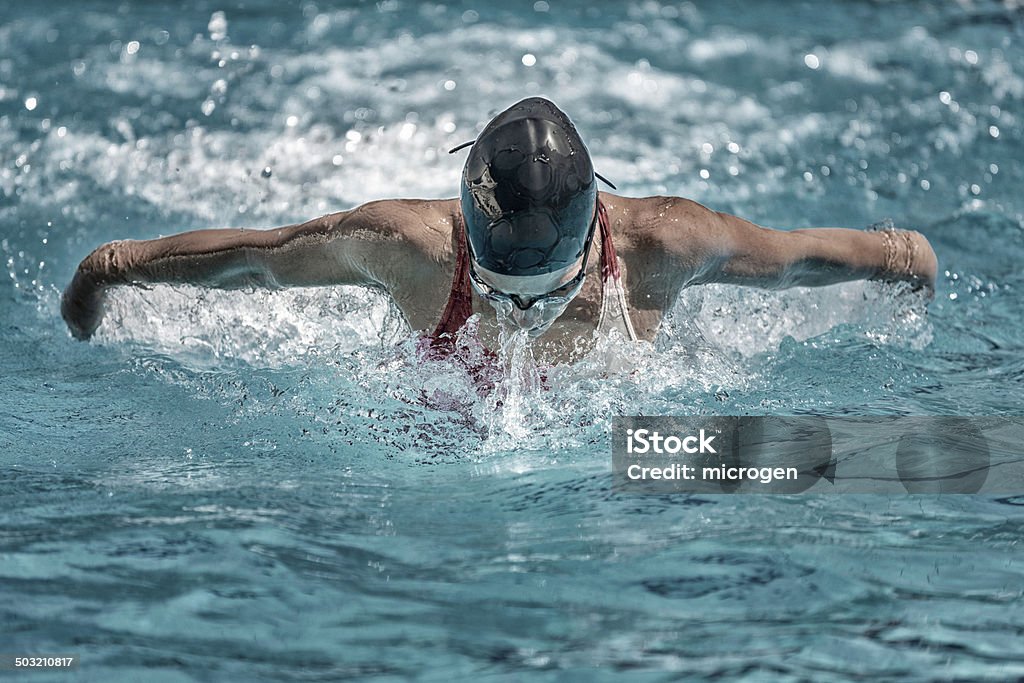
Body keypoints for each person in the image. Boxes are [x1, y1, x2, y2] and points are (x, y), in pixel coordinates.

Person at [61, 97, 937, 363]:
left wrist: (906, 260)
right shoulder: (408, 246)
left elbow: (795, 260)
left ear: (598, 236)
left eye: (541, 294)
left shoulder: (666, 244)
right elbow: (256, 257)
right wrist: (111, 267)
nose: (515, 316)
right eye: (494, 289)